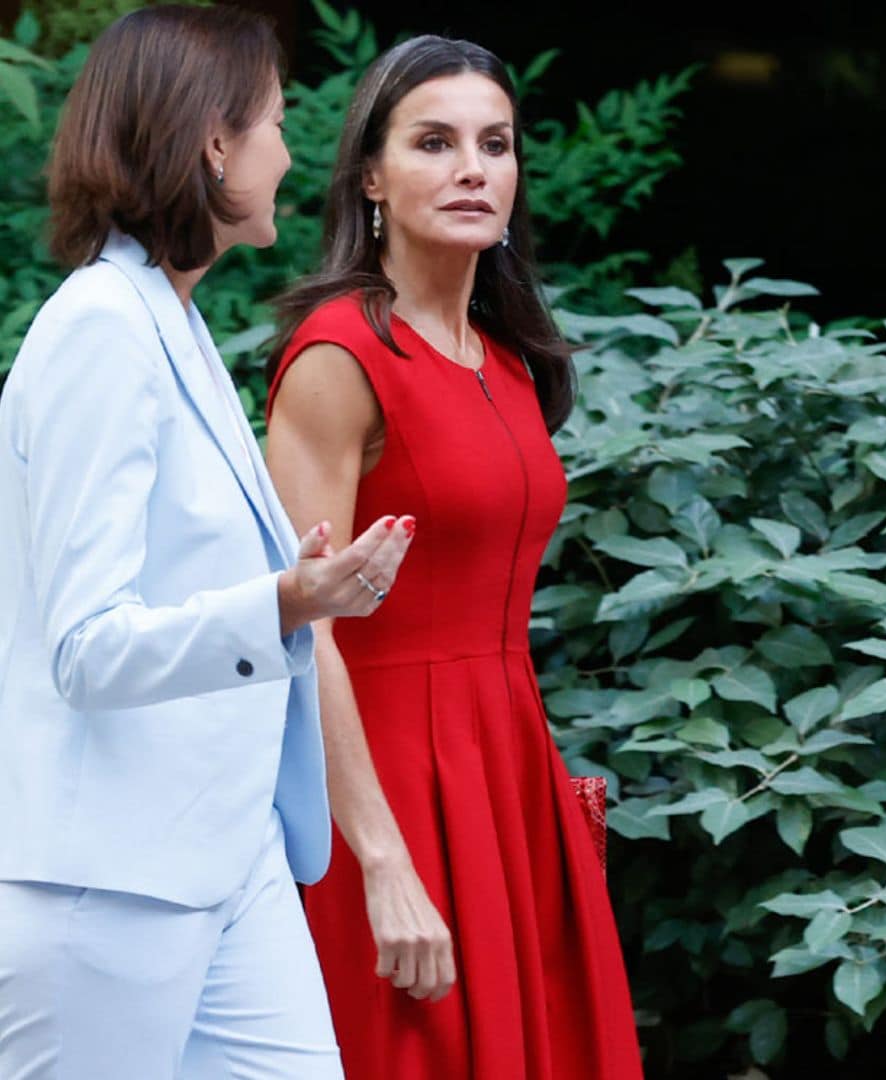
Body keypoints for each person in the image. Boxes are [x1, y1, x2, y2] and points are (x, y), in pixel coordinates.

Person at [0, 7, 418, 1077]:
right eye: (276, 121)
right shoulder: (100, 326)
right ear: (213, 143)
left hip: (230, 862)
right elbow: (84, 647)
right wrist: (288, 601)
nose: (293, 152)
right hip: (106, 886)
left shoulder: (167, 319)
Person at [265, 34, 643, 1080]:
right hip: (382, 780)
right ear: (372, 179)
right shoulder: (339, 357)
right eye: (434, 142)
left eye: (496, 144)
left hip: (508, 767)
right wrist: (381, 863)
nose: (474, 168)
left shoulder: (512, 357)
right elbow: (304, 630)